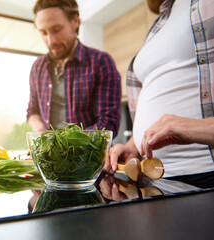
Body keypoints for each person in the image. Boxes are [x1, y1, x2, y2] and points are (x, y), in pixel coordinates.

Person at [105, 0, 214, 180]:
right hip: (153, 178)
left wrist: (195, 126)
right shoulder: (159, 23)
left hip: (203, 174)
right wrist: (133, 146)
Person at [26, 0, 121, 137]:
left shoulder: (101, 63)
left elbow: (108, 122)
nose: (50, 40)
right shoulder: (37, 67)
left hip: (87, 156)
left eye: (56, 29)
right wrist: (39, 127)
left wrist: (67, 142)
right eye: (43, 33)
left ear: (75, 21)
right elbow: (32, 111)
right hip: (49, 155)